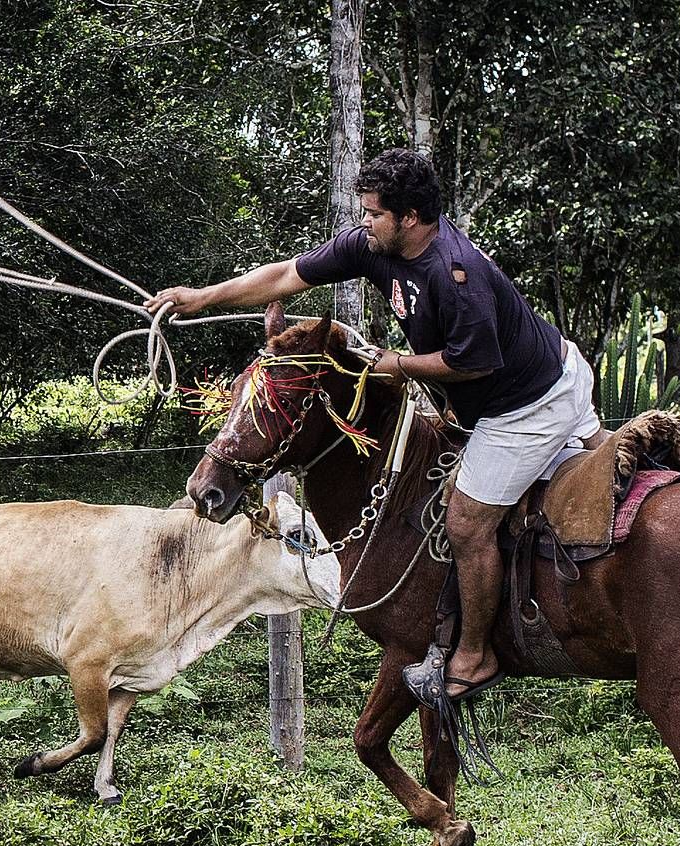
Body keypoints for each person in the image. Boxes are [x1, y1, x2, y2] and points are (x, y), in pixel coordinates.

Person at [146, 147, 606, 706]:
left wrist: (394, 364)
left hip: (529, 404)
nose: (364, 222)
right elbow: (288, 275)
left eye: (374, 213)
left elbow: (472, 363)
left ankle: (476, 654)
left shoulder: (456, 275)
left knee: (465, 521)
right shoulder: (375, 247)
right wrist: (201, 297)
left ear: (409, 218)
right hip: (502, 392)